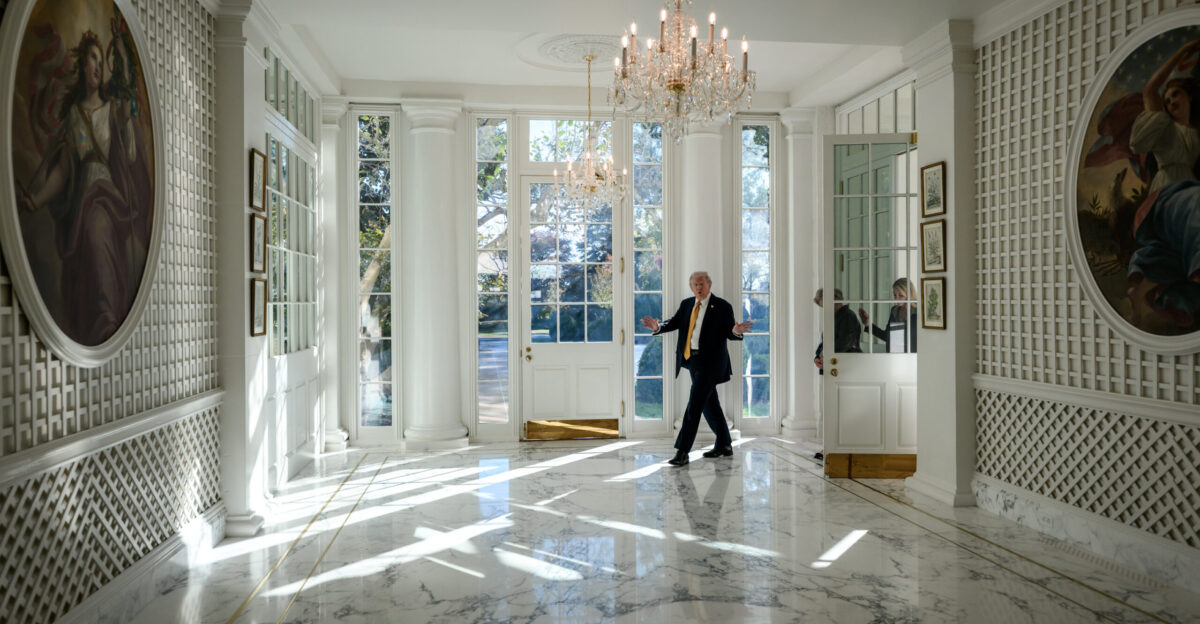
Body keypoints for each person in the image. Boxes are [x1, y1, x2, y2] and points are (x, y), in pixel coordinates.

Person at [16, 28, 152, 346]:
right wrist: (35, 201)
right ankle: (99, 318)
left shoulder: (111, 110)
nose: (96, 66)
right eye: (91, 58)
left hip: (108, 199)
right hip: (83, 203)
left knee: (97, 225)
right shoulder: (74, 118)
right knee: (88, 237)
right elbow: (63, 171)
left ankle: (107, 315)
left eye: (99, 60)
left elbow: (129, 150)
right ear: (81, 67)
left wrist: (123, 61)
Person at [642, 271, 752, 467]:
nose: (698, 287)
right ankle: (725, 444)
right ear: (691, 287)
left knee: (694, 405)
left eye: (701, 283)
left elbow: (730, 331)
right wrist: (658, 327)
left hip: (711, 363)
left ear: (709, 284)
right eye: (694, 284)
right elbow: (673, 322)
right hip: (692, 360)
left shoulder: (722, 306)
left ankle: (682, 451)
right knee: (710, 404)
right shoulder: (686, 304)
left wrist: (735, 332)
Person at [1126, 38, 1200, 327]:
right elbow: (1149, 89)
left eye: (1176, 95)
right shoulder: (1164, 125)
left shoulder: (1194, 131)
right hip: (1168, 192)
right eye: (1167, 99)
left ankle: (1141, 291)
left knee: (1172, 262)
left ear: (1190, 97)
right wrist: (1181, 51)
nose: (1170, 102)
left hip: (1187, 190)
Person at [858, 278, 918, 353]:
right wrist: (868, 324)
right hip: (893, 357)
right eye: (894, 295)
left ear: (910, 294)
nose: (896, 299)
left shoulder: (918, 312)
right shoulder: (894, 310)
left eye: (900, 295)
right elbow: (887, 336)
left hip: (911, 358)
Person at [812, 288, 862, 375]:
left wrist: (825, 357)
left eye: (825, 305)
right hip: (836, 365)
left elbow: (844, 343)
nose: (825, 309)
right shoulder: (833, 317)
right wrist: (817, 357)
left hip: (847, 366)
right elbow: (825, 342)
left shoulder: (848, 316)